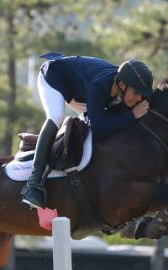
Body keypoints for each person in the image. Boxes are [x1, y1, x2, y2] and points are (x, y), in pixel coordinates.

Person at [21, 52, 153, 209]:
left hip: (80, 90)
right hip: (54, 77)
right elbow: (98, 130)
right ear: (122, 85)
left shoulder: (123, 84)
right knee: (56, 116)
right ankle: (34, 183)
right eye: (136, 93)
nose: (139, 99)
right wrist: (132, 115)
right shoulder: (100, 84)